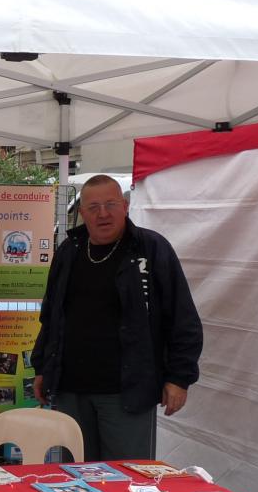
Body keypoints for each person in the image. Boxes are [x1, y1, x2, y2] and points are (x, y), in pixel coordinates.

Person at [30, 175, 202, 461]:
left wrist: (179, 378)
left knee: (128, 480)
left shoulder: (151, 249)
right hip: (71, 391)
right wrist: (42, 367)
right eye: (93, 207)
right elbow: (51, 316)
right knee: (76, 481)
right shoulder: (68, 251)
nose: (103, 214)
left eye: (111, 204)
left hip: (127, 394)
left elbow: (183, 319)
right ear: (82, 213)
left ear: (125, 206)